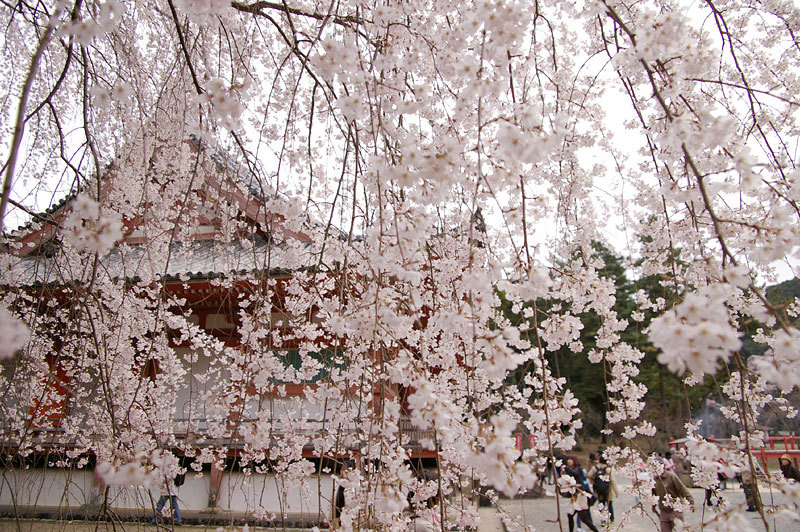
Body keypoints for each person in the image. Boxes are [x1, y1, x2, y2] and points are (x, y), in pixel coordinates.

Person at [562, 456, 599, 532]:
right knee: (570, 515)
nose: (569, 461)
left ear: (574, 461)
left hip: (581, 496)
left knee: (584, 518)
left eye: (570, 460)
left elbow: (574, 473)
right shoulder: (570, 470)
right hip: (575, 496)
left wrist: (565, 468)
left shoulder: (578, 469)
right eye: (568, 460)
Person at [652, 468, 693, 532]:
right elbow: (654, 494)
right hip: (663, 510)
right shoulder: (654, 479)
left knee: (679, 529)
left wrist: (691, 502)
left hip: (675, 509)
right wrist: (653, 506)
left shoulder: (671, 476)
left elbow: (682, 489)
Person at [588, 454, 618, 523]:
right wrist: (616, 491)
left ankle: (603, 521)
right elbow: (612, 481)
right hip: (608, 490)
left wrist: (594, 480)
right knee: (609, 504)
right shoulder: (608, 469)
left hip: (599, 490)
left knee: (601, 504)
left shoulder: (594, 468)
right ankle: (612, 519)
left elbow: (589, 475)